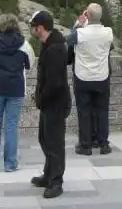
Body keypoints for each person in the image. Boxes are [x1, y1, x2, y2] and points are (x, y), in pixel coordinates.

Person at [0, 13, 36, 172]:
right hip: (16, 88)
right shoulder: (24, 45)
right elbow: (30, 64)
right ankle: (11, 163)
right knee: (11, 126)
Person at [29, 10, 72, 199]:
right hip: (48, 103)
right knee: (44, 139)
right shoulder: (50, 44)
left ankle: (56, 181)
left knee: (54, 143)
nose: (33, 30)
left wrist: (42, 97)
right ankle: (48, 175)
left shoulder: (55, 48)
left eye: (34, 27)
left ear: (40, 27)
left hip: (55, 102)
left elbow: (54, 82)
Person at [67, 3, 114, 155]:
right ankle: (104, 144)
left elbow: (68, 40)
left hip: (83, 77)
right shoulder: (108, 32)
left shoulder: (80, 33)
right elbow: (110, 46)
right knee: (102, 111)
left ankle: (85, 145)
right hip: (102, 76)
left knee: (84, 112)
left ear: (87, 15)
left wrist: (78, 24)